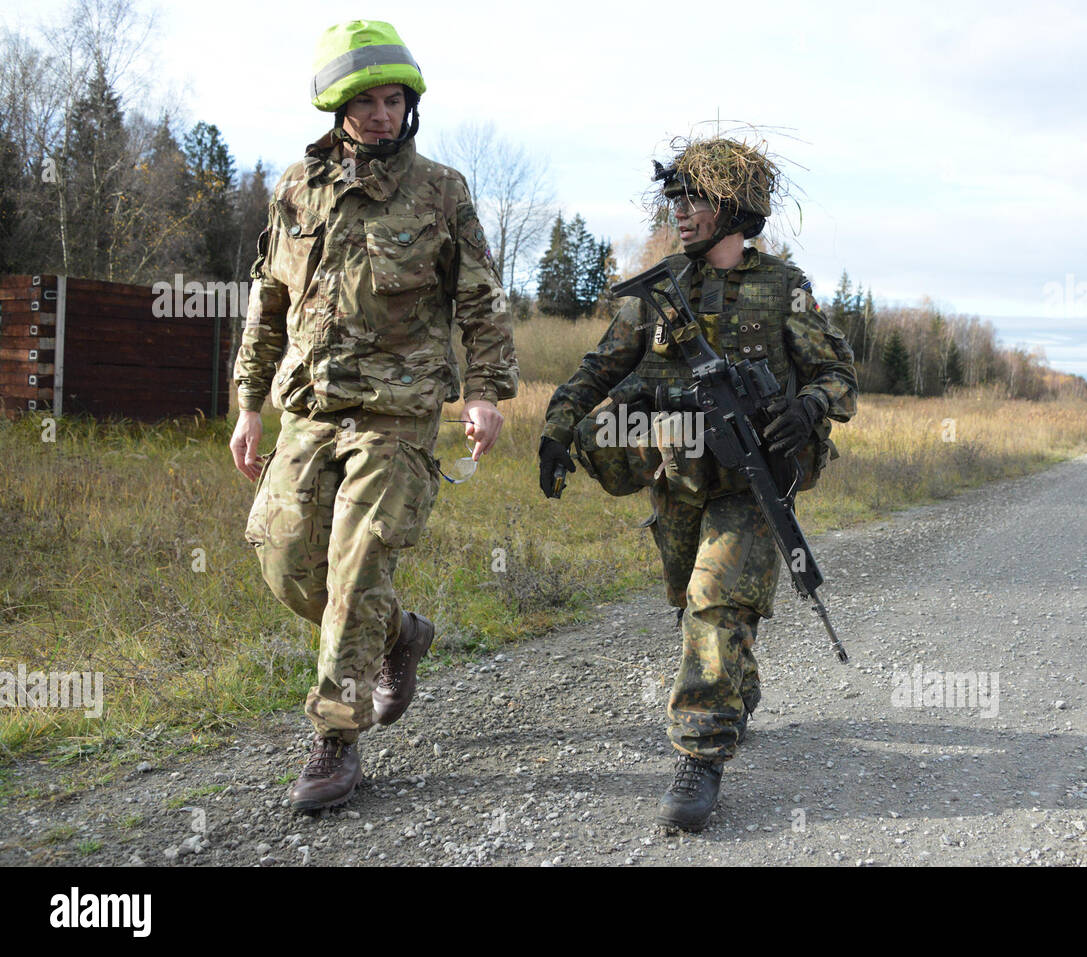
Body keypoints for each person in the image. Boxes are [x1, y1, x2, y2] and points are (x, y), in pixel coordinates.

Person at [229, 20, 517, 812]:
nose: (383, 114)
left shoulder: (442, 192)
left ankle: (335, 738)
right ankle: (399, 636)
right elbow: (268, 302)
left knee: (357, 572)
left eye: (395, 100)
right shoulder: (294, 189)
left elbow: (481, 301)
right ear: (337, 107)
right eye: (367, 101)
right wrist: (248, 403)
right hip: (310, 410)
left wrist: (483, 392)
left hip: (399, 413)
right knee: (285, 559)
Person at [538, 136, 856, 831]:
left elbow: (840, 378)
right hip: (675, 477)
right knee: (694, 604)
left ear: (737, 210)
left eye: (696, 199)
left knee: (715, 598)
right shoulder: (657, 292)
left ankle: (700, 752)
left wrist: (809, 407)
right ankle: (736, 687)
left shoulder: (783, 287)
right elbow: (601, 368)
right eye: (674, 198)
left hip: (750, 480)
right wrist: (558, 426)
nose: (680, 212)